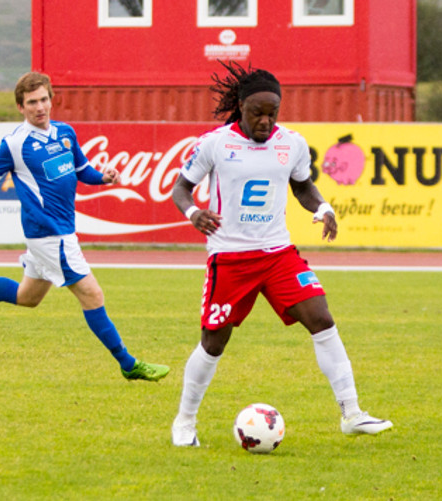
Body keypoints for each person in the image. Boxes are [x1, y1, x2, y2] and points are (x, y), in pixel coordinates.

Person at [169, 61, 393, 447]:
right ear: (241, 107)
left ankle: (352, 414)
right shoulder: (214, 144)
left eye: (272, 113)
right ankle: (185, 421)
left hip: (278, 254)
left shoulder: (292, 143)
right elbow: (180, 189)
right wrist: (193, 213)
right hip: (231, 257)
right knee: (213, 342)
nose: (266, 121)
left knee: (321, 318)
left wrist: (323, 208)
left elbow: (303, 187)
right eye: (258, 113)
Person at [0, 71, 170, 383]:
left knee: (27, 297)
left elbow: (82, 170)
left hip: (58, 232)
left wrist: (103, 177)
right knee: (92, 294)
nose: (39, 107)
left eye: (43, 100)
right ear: (20, 107)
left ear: (51, 100)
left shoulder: (65, 133)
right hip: (51, 235)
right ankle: (128, 363)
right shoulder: (15, 144)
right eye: (32, 102)